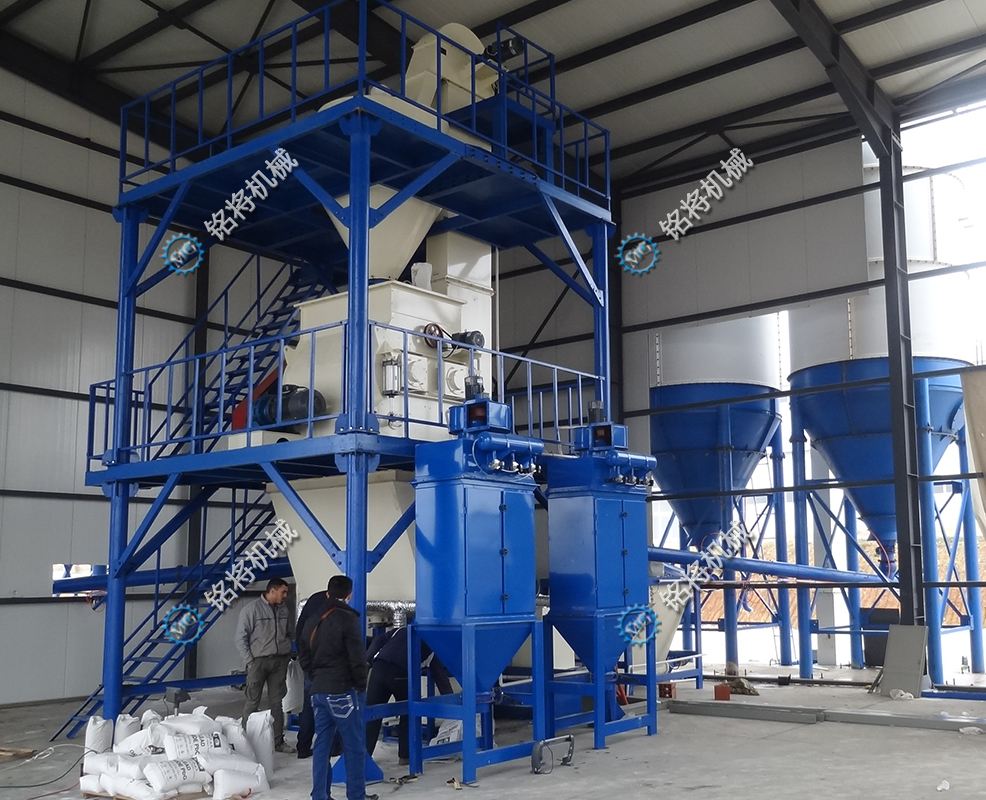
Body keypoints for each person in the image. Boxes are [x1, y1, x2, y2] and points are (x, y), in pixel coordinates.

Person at [299, 575, 377, 800]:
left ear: (327, 593)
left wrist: (314, 675)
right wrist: (361, 686)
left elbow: (303, 650)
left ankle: (320, 795)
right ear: (349, 595)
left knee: (321, 746)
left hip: (318, 690)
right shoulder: (347, 619)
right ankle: (356, 796)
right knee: (353, 746)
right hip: (342, 690)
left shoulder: (313, 619)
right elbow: (357, 658)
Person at [365, 615, 453, 766]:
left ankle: (363, 759)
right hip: (401, 672)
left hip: (378, 668)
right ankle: (405, 757)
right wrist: (452, 703)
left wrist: (367, 660)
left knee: (372, 713)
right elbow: (440, 678)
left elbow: (377, 640)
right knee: (409, 712)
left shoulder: (402, 630)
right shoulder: (433, 643)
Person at [235, 577, 296, 754]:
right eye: (283, 592)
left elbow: (289, 633)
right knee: (252, 702)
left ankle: (278, 742)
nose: (285, 595)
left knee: (277, 703)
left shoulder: (284, 609)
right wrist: (250, 661)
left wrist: (287, 654)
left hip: (279, 662)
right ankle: (244, 742)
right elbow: (240, 638)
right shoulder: (251, 610)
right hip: (258, 662)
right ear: (272, 591)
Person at [295, 583, 335, 759]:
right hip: (327, 667)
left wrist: (305, 663)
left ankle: (303, 747)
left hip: (310, 665)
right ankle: (332, 747)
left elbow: (300, 633)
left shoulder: (314, 600)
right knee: (333, 706)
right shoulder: (336, 608)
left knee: (309, 706)